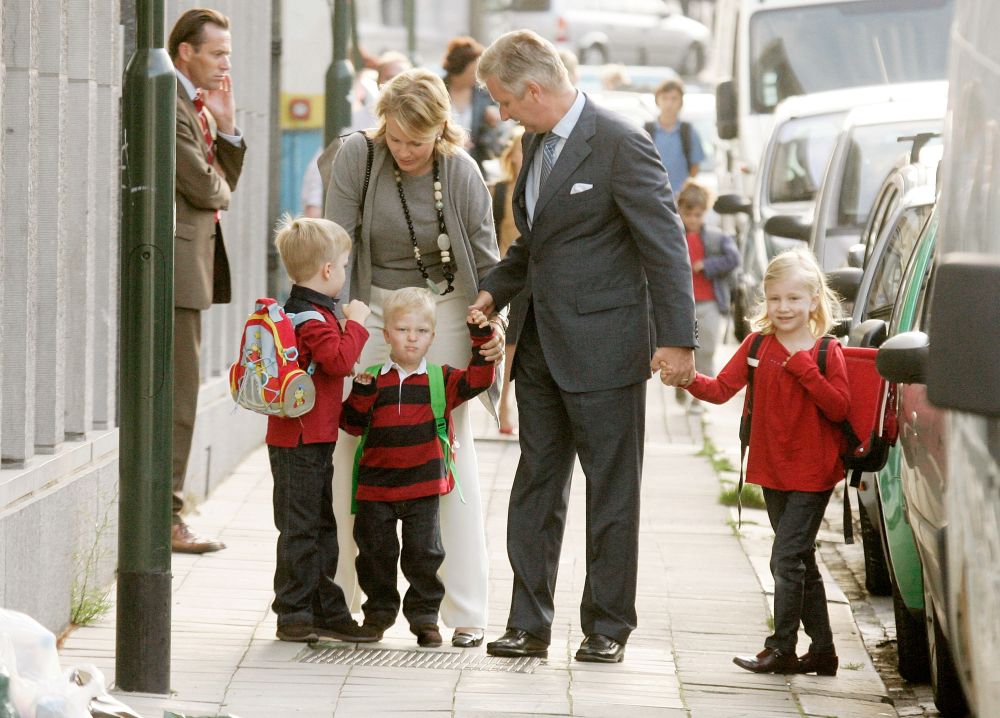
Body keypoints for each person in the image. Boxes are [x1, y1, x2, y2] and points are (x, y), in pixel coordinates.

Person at [473, 30, 697, 663]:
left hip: (607, 347)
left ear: (534, 89)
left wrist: (679, 340)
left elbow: (665, 245)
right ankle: (528, 623)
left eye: (505, 100)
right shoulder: (534, 142)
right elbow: (536, 244)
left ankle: (606, 627)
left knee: (611, 491)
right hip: (540, 345)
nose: (502, 112)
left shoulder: (622, 143)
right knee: (534, 485)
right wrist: (496, 289)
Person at [326, 68, 505, 649]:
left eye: (418, 142)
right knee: (353, 442)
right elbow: (336, 240)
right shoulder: (360, 157)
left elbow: (483, 254)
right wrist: (335, 320)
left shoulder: (461, 171)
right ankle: (342, 600)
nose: (406, 151)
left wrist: (489, 324)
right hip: (373, 307)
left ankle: (464, 610)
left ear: (440, 133)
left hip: (448, 307)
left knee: (446, 440)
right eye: (398, 138)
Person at [673, 248, 849, 676]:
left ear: (813, 301)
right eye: (774, 299)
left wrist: (804, 368)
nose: (783, 307)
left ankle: (782, 648)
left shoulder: (826, 351)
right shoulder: (756, 346)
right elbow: (720, 390)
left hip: (813, 472)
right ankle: (823, 652)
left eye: (793, 298)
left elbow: (840, 407)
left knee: (785, 559)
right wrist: (686, 378)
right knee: (799, 559)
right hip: (772, 469)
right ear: (764, 301)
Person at [340, 288, 498, 647]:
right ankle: (377, 616)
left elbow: (480, 379)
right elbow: (350, 424)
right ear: (386, 334)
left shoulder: (441, 379)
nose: (411, 338)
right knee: (375, 556)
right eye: (402, 329)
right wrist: (361, 394)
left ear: (433, 336)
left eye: (421, 331)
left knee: (424, 556)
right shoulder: (373, 379)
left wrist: (481, 335)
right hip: (375, 490)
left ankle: (425, 619)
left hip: (423, 489)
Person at [266, 216, 378, 643]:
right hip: (299, 439)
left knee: (318, 525)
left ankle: (321, 607)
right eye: (345, 266)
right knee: (301, 527)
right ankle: (294, 612)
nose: (346, 274)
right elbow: (337, 361)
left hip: (309, 436)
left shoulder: (305, 310)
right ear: (328, 270)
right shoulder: (308, 317)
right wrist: (358, 323)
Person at [168, 8, 246, 553]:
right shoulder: (164, 97)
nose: (225, 64)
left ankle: (165, 513)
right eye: (217, 53)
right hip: (173, 272)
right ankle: (164, 518)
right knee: (176, 399)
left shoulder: (192, 105)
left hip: (187, 272)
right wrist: (217, 182)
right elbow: (204, 186)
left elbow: (219, 183)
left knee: (180, 394)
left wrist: (228, 129)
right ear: (185, 52)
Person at [675, 179, 740, 414]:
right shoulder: (672, 236)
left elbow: (733, 259)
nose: (693, 219)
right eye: (688, 213)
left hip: (710, 302)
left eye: (698, 214)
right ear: (680, 210)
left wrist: (708, 265)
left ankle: (699, 399)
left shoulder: (716, 237)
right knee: (683, 349)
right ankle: (682, 385)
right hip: (683, 304)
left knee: (706, 350)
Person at [489, 126, 528, 434]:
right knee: (509, 342)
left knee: (520, 344)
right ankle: (503, 403)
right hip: (507, 276)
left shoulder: (540, 189)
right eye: (519, 147)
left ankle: (509, 402)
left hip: (534, 277)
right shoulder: (500, 191)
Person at [442, 37, 504, 172]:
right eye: (473, 73)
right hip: (441, 165)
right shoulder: (436, 91)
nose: (477, 78)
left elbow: (496, 145)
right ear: (458, 69)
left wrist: (492, 122)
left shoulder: (485, 95)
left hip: (473, 167)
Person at [646, 78, 704, 190]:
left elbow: (695, 165)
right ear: (657, 100)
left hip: (680, 199)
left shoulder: (688, 132)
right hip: (652, 196)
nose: (669, 103)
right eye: (665, 98)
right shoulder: (647, 131)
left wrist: (686, 189)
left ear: (681, 102)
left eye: (674, 99)